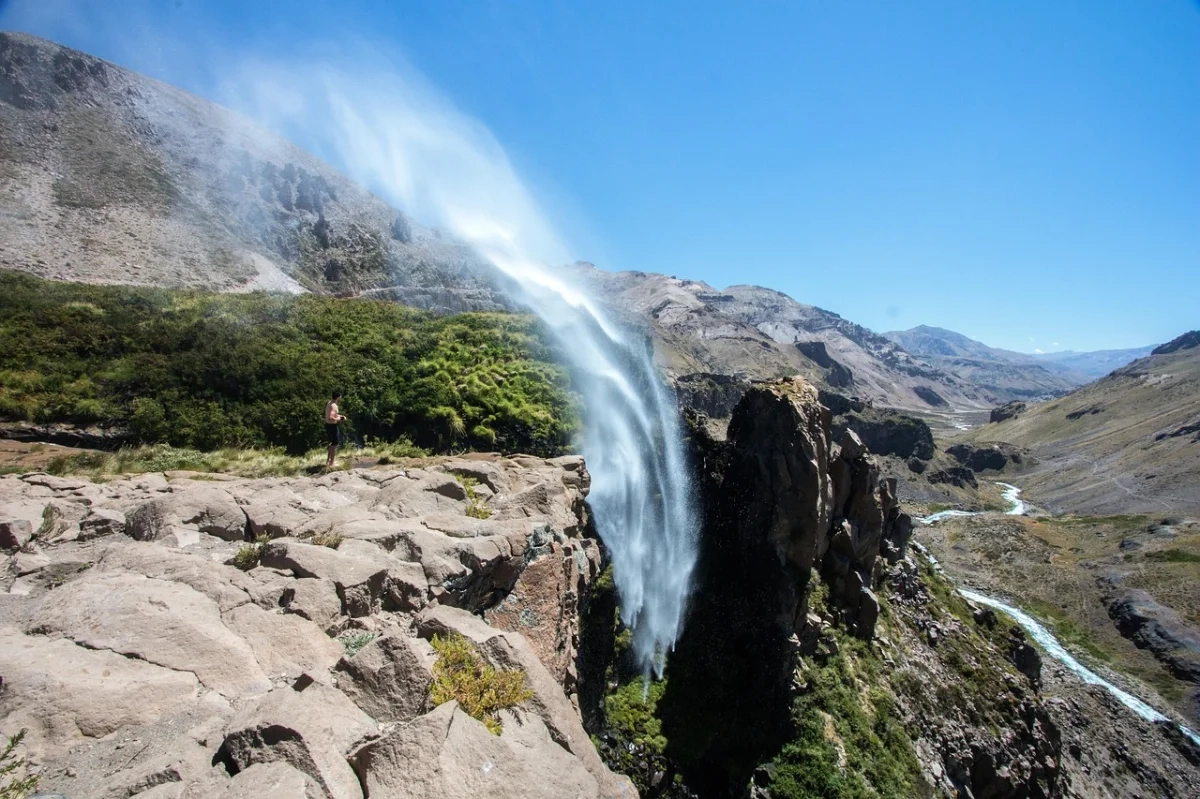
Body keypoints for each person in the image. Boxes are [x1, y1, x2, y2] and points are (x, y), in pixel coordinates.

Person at [324, 390, 347, 468]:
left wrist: (340, 416)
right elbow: (331, 417)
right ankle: (332, 463)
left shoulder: (329, 403)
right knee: (335, 444)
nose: (340, 398)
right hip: (332, 426)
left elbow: (333, 414)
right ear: (338, 397)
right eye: (340, 396)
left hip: (327, 425)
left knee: (331, 443)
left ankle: (328, 461)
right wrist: (340, 419)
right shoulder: (334, 405)